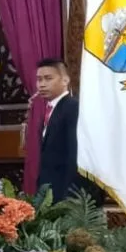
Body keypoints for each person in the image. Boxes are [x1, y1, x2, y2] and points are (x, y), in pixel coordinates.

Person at [32, 58, 80, 200]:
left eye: (48, 79)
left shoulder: (73, 107)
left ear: (65, 80)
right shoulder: (50, 109)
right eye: (39, 79)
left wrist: (70, 196)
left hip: (66, 193)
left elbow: (74, 154)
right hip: (50, 191)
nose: (42, 84)